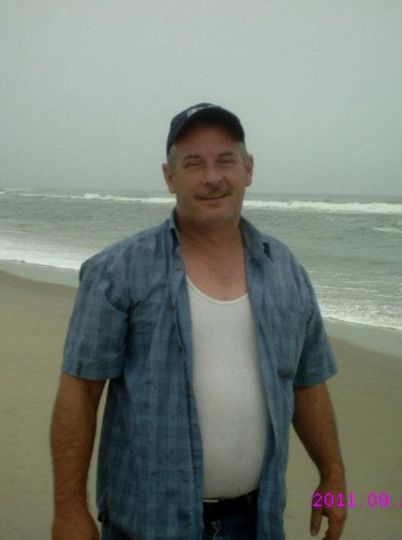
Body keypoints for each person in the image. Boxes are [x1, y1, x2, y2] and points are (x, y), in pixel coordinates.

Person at [51, 103, 347, 540]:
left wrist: (333, 475)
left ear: (248, 169)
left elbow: (307, 383)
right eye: (193, 164)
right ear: (170, 177)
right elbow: (80, 390)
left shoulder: (286, 270)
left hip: (258, 522)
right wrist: (69, 508)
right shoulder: (118, 270)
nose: (212, 177)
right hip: (148, 525)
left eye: (225, 160)